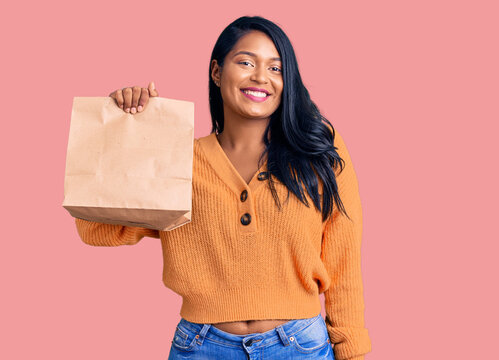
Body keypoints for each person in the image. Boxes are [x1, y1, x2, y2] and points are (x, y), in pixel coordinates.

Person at [75, 16, 371, 360]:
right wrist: (121, 131)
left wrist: (352, 350)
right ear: (217, 72)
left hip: (300, 346)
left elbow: (344, 258)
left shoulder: (319, 150)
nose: (261, 76)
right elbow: (94, 228)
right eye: (246, 62)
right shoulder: (176, 158)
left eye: (276, 68)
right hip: (200, 347)